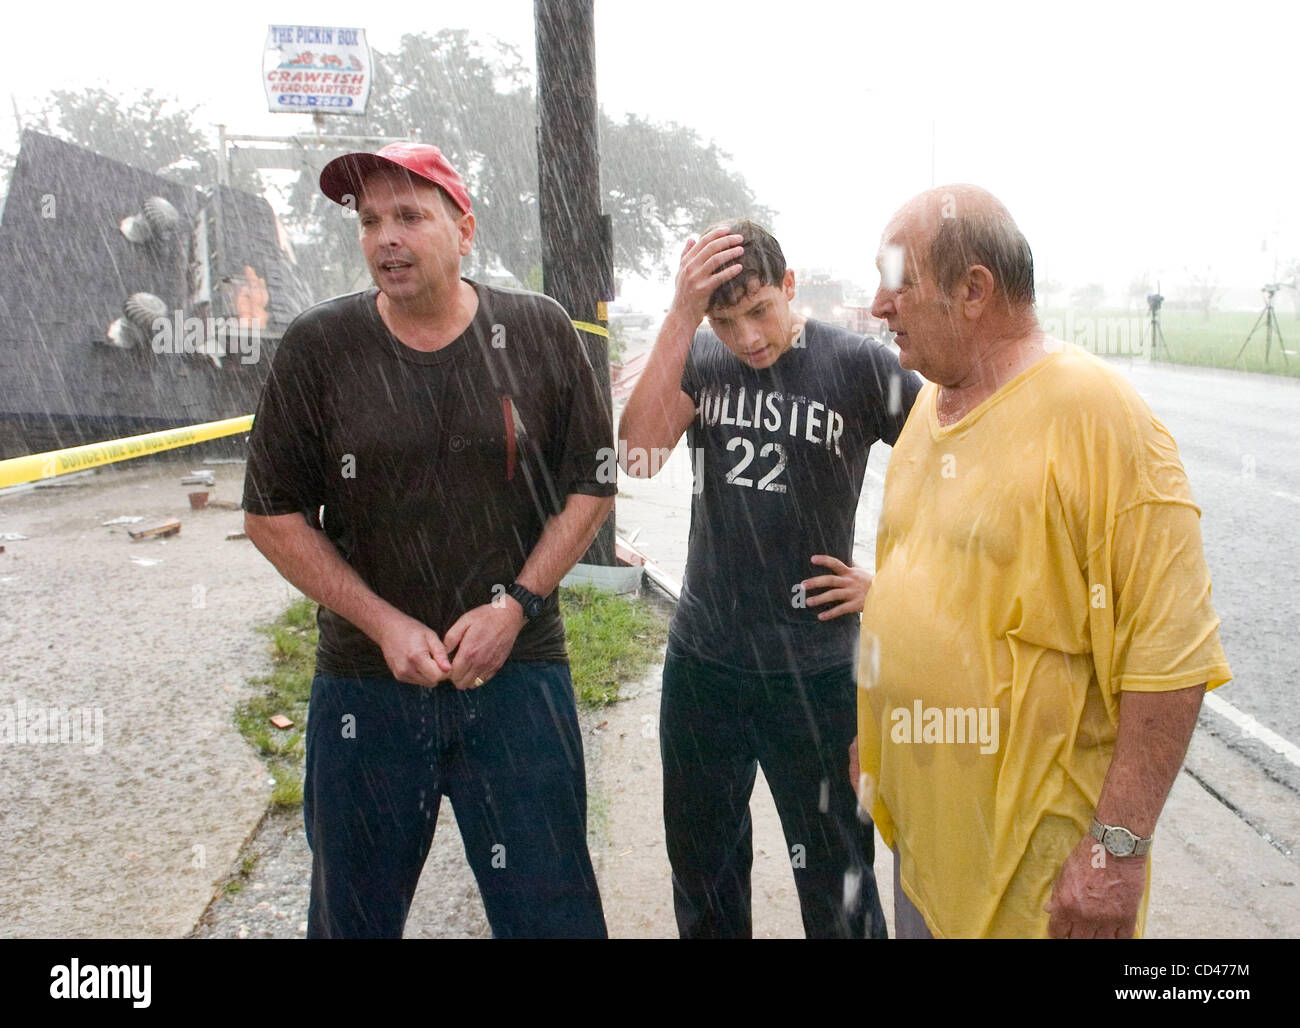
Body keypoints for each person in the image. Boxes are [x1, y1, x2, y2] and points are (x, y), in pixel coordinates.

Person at [241, 142, 613, 939]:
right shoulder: (319, 347)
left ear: (463, 228)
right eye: (370, 221)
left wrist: (514, 607)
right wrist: (384, 624)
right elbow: (270, 515)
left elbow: (591, 483)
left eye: (409, 216)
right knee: (353, 919)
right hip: (365, 690)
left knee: (553, 916)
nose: (385, 238)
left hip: (517, 678)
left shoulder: (539, 332)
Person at [857, 184, 1233, 938]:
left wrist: (1116, 853)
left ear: (973, 289)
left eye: (898, 280)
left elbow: (1173, 654)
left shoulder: (1098, 416)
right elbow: (915, 579)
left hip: (1035, 890)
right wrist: (880, 733)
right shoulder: (929, 410)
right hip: (928, 858)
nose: (876, 305)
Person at [619, 219, 920, 938]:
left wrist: (898, 586)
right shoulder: (702, 356)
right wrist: (683, 316)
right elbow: (637, 455)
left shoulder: (854, 364)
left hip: (814, 671)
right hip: (706, 663)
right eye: (726, 321)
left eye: (760, 311)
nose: (748, 338)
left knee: (838, 881)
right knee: (705, 874)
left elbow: (958, 467)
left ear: (790, 287)